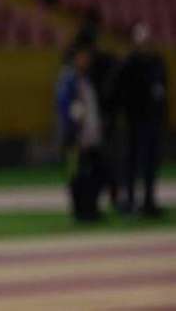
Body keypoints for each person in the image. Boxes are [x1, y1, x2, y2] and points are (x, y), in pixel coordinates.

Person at [117, 23, 167, 216]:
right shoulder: (129, 63)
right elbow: (121, 91)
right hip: (134, 122)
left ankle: (149, 201)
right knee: (131, 163)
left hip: (152, 121)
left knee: (151, 163)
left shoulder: (157, 62)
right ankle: (129, 200)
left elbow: (163, 92)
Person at [56, 43, 105, 221]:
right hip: (75, 136)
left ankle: (90, 207)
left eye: (87, 57)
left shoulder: (88, 78)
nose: (85, 60)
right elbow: (65, 107)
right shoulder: (69, 79)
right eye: (82, 57)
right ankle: (80, 211)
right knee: (77, 174)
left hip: (90, 135)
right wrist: (73, 129)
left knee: (94, 173)